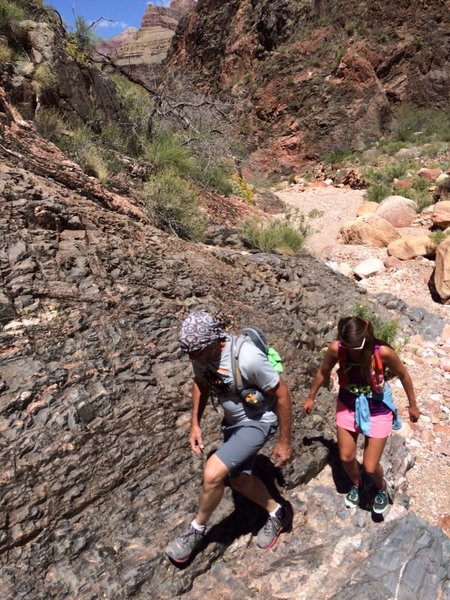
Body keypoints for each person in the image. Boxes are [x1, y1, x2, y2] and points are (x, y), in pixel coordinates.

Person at [165, 311, 293, 563]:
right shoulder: (201, 352)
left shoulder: (247, 358)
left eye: (196, 352)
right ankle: (279, 512)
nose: (192, 358)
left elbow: (283, 393)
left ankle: (196, 531)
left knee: (213, 473)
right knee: (239, 481)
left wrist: (284, 442)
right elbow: (200, 384)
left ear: (215, 341)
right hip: (233, 423)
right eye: (189, 353)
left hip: (257, 421)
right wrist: (195, 424)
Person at [303, 316, 420, 514]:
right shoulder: (336, 349)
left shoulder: (382, 353)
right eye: (346, 345)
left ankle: (380, 487)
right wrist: (311, 396)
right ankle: (357, 485)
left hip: (378, 408)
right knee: (346, 457)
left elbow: (404, 375)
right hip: (348, 404)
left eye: (354, 347)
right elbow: (323, 372)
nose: (349, 350)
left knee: (371, 466)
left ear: (365, 338)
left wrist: (413, 405)